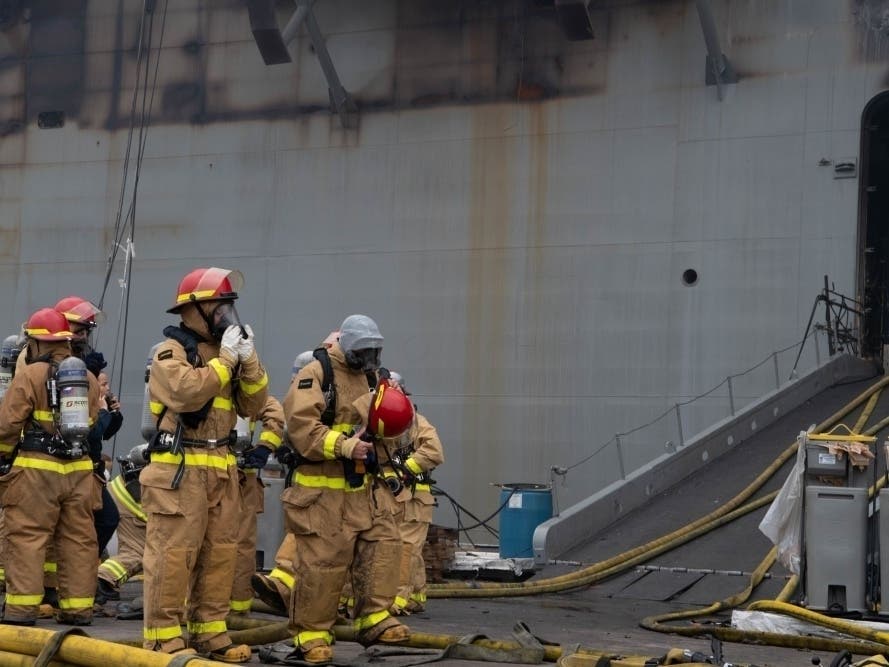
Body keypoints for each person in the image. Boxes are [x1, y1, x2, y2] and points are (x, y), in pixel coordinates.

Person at [141, 267, 268, 662]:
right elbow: (186, 392)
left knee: (220, 556)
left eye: (230, 305)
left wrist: (249, 363)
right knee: (173, 556)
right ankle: (163, 639)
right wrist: (228, 359)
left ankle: (210, 634)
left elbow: (255, 405)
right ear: (193, 310)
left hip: (221, 468)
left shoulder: (228, 356)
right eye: (219, 305)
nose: (226, 313)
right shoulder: (170, 353)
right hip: (180, 471)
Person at [278, 315, 409, 663]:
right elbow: (301, 428)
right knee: (323, 564)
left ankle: (375, 618)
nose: (369, 359)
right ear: (347, 345)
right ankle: (311, 635)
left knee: (383, 547)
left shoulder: (371, 378)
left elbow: (383, 422)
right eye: (363, 351)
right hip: (322, 492)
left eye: (374, 352)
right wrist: (345, 445)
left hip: (363, 488)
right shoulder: (316, 373)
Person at [0, 308, 101, 626]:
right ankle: (78, 609)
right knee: (78, 539)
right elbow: (94, 421)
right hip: (79, 470)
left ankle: (21, 610)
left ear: (38, 343)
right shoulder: (87, 378)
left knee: (28, 536)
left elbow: (6, 424)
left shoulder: (29, 375)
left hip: (37, 469)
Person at [229, 397, 284, 616]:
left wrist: (264, 447)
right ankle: (235, 608)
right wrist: (264, 447)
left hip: (229, 477)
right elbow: (276, 415)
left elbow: (275, 414)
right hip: (237, 477)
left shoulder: (210, 383)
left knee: (233, 545)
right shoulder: (249, 390)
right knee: (240, 544)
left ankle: (233, 607)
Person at [96, 444, 149, 606]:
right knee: (141, 553)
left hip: (121, 491)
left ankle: (95, 581)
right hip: (132, 500)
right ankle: (101, 580)